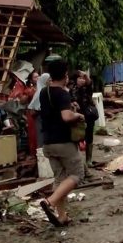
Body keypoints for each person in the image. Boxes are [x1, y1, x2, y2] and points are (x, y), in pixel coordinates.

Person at [39, 59, 85, 226]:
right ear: (65, 75)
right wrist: (78, 115)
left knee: (60, 179)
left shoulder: (45, 92)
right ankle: (49, 201)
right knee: (77, 174)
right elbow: (66, 116)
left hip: (48, 143)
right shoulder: (63, 94)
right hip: (63, 142)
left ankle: (62, 216)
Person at [69, 70, 97, 169]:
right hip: (77, 116)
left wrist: (86, 76)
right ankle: (79, 161)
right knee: (77, 137)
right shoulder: (72, 88)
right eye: (80, 78)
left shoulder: (87, 88)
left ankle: (88, 159)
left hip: (88, 115)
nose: (82, 80)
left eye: (83, 78)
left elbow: (90, 83)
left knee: (89, 137)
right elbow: (70, 99)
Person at [28, 72, 50, 148]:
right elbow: (36, 107)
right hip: (40, 118)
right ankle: (41, 157)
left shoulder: (47, 90)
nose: (50, 81)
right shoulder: (40, 92)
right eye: (48, 79)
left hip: (46, 118)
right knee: (41, 138)